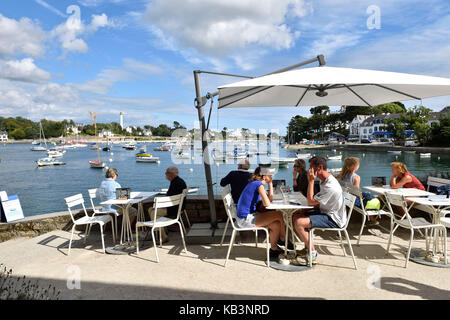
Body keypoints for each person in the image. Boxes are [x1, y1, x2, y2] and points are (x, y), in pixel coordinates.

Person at [293, 156, 347, 265]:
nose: (309, 170)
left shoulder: (330, 186)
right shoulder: (325, 180)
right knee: (297, 215)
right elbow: (316, 202)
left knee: (299, 223)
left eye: (311, 167)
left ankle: (312, 254)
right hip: (326, 211)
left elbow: (311, 202)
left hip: (334, 218)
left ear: (320, 168)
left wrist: (311, 181)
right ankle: (308, 248)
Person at [237, 167, 292, 260]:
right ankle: (283, 239)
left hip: (248, 216)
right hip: (245, 219)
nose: (271, 176)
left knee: (276, 224)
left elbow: (269, 200)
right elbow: (267, 204)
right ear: (263, 176)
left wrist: (270, 183)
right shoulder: (258, 184)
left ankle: (274, 249)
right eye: (269, 175)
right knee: (278, 214)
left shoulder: (254, 183)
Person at [149, 166, 187, 243]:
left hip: (173, 209)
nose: (165, 174)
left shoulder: (175, 183)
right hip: (179, 207)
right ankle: (161, 231)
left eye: (166, 173)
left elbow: (170, 199)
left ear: (170, 174)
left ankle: (162, 236)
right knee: (150, 209)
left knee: (153, 212)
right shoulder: (179, 181)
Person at [338, 157, 379, 226]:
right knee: (373, 199)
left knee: (368, 197)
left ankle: (371, 219)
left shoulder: (341, 175)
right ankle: (372, 219)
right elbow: (356, 193)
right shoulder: (356, 177)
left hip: (345, 199)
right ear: (355, 166)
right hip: (353, 201)